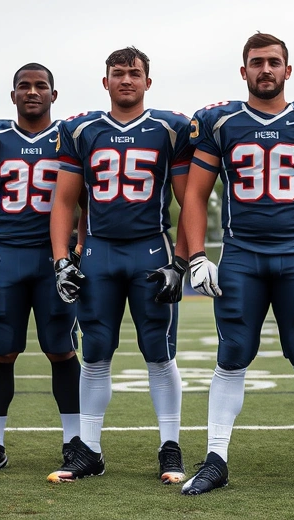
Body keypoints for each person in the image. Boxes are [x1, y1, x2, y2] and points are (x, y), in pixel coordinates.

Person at [178, 33, 294, 496]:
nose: (265, 70)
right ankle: (215, 458)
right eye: (256, 62)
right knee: (232, 353)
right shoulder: (220, 122)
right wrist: (197, 257)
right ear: (243, 71)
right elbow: (196, 194)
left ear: (288, 70)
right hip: (240, 255)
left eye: (274, 62)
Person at [47, 47, 192, 483]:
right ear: (105, 81)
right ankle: (89, 451)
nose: (126, 79)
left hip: (151, 248)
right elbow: (65, 201)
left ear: (148, 81)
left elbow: (190, 202)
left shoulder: (171, 128)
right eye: (118, 73)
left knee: (159, 352)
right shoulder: (82, 129)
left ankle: (170, 447)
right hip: (99, 251)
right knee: (94, 352)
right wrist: (60, 261)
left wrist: (181, 262)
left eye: (134, 73)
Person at [0, 63, 82, 476]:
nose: (32, 92)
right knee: (2, 350)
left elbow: (88, 202)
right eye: (23, 86)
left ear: (53, 94)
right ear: (12, 95)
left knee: (60, 348)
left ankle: (75, 443)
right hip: (7, 255)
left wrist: (76, 250)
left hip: (52, 256)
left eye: (40, 86)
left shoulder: (71, 136)